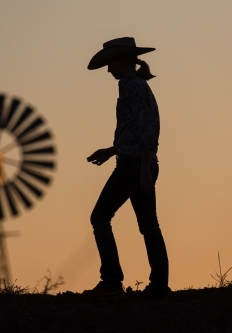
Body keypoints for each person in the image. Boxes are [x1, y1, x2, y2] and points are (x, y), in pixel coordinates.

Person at [83, 37, 170, 299]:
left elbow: (148, 129)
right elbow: (138, 131)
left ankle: (111, 281)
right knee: (148, 224)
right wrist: (112, 151)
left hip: (134, 166)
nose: (108, 69)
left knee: (100, 217)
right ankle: (159, 286)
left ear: (120, 61)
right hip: (137, 163)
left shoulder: (132, 86)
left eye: (110, 63)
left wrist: (144, 170)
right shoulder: (133, 85)